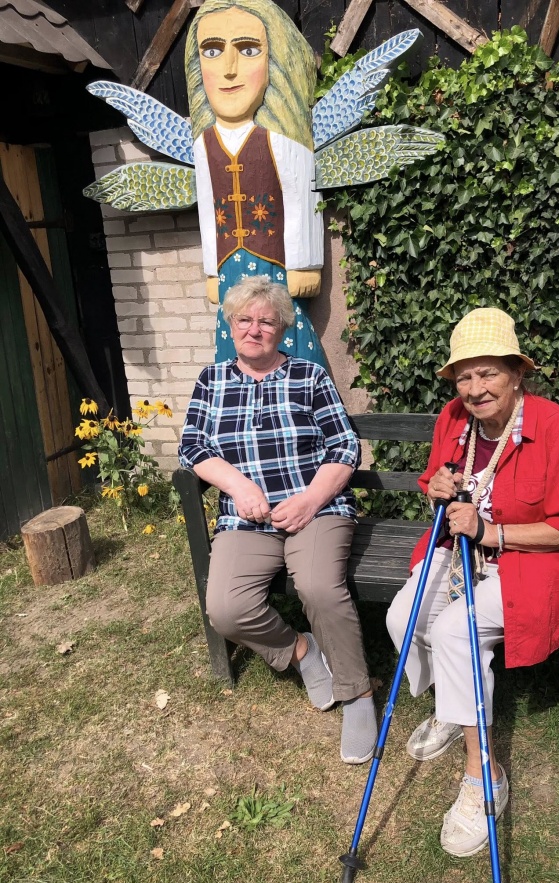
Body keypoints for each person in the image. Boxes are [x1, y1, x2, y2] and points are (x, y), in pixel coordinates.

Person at [386, 307, 559, 856]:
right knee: (401, 618)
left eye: (488, 373)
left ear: (517, 373)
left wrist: (492, 532)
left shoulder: (553, 427)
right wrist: (437, 487)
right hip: (461, 550)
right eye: (464, 376)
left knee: (455, 634)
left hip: (532, 563)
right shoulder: (454, 418)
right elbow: (435, 481)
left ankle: (484, 775)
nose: (475, 389)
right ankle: (450, 707)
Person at [179, 276, 377, 764]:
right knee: (225, 608)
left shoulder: (309, 376)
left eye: (266, 321)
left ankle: (357, 693)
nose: (255, 329)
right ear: (230, 325)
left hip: (317, 510)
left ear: (282, 328)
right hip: (247, 518)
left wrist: (310, 499)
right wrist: (240, 487)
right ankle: (300, 651)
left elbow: (344, 446)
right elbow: (193, 446)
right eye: (244, 319)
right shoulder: (211, 380)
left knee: (319, 587)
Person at [185, 0, 325, 366]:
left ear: (276, 59)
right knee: (232, 341)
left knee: (287, 337)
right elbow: (206, 209)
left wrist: (305, 263)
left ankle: (303, 396)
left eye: (248, 50)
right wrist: (211, 270)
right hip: (229, 268)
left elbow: (302, 194)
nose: (229, 69)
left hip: (276, 266)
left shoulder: (281, 134)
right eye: (212, 51)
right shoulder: (204, 142)